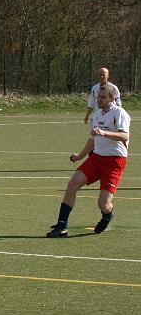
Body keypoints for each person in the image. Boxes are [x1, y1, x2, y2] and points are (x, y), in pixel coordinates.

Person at [49, 83, 130, 237]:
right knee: (72, 184)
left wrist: (104, 133)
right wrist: (80, 156)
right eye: (98, 97)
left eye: (103, 97)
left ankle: (107, 215)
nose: (99, 100)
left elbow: (125, 136)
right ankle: (61, 226)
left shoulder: (119, 113)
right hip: (97, 158)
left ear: (111, 98)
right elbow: (93, 139)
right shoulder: (97, 115)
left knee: (103, 204)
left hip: (115, 162)